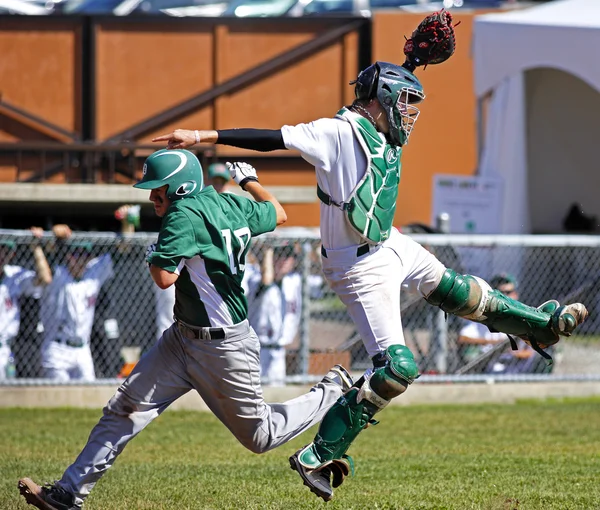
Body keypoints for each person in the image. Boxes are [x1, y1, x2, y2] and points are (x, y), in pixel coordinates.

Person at [150, 59, 589, 501]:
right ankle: (318, 454)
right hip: (355, 266)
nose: (410, 112)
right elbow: (272, 139)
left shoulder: (379, 129)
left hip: (388, 243)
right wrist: (204, 137)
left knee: (460, 290)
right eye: (403, 102)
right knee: (397, 369)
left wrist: (410, 62)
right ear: (379, 102)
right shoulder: (336, 132)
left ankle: (540, 327)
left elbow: (379, 85)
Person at [18, 150, 353, 510]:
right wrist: (249, 181)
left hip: (222, 348)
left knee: (261, 436)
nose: (152, 197)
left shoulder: (182, 213)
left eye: (158, 189)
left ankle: (333, 390)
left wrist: (153, 252)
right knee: (125, 407)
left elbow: (164, 278)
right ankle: (68, 494)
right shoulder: (228, 203)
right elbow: (279, 212)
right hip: (182, 339)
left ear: (180, 187)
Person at [36, 224, 114, 382]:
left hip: (83, 349)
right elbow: (48, 262)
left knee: (89, 398)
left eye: (84, 254)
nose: (79, 258)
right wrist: (54, 234)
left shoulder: (93, 272)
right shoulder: (58, 273)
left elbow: (122, 251)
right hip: (57, 347)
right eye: (75, 254)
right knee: (58, 400)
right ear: (67, 256)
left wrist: (128, 224)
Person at [458, 273, 546, 375]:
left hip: (517, 369)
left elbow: (531, 352)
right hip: (489, 368)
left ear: (515, 295)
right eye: (500, 292)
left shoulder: (524, 318)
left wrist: (514, 353)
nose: (504, 296)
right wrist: (495, 343)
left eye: (507, 292)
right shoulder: (484, 315)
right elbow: (463, 338)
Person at [248, 242, 302, 386]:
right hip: (256, 349)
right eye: (280, 255)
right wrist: (268, 251)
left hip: (279, 351)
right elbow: (266, 280)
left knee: (277, 398)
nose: (285, 260)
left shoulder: (294, 281)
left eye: (289, 256)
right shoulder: (254, 278)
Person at [0, 236, 51, 380]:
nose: (2, 255)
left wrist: (36, 248)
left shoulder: (14, 275)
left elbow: (44, 278)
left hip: (4, 348)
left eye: (6, 251)